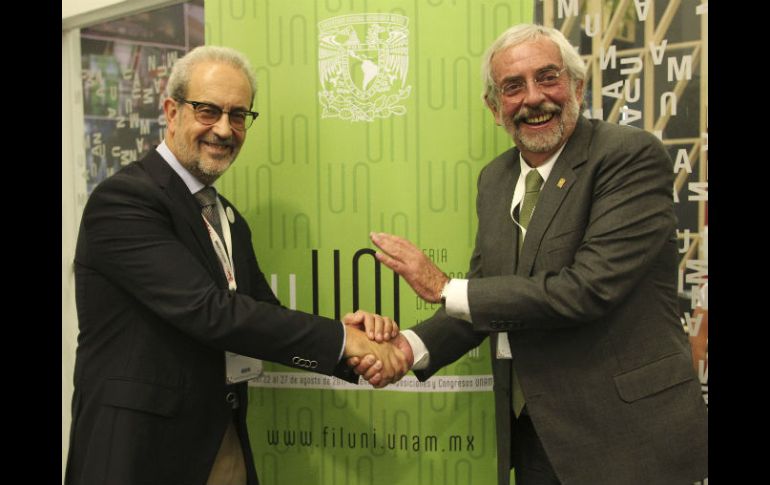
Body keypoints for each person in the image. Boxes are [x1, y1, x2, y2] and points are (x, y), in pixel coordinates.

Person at [351, 24, 708, 485]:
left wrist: (441, 287)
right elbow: (484, 297)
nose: (534, 98)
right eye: (513, 87)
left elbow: (586, 290)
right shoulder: (495, 179)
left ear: (577, 86)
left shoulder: (628, 156)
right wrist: (405, 348)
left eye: (548, 77)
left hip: (630, 438)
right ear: (494, 108)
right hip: (537, 435)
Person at [64, 45, 408, 485]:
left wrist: (351, 341)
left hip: (220, 441)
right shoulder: (125, 200)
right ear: (172, 112)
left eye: (239, 115)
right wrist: (345, 341)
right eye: (208, 111)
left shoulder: (227, 217)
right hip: (138, 451)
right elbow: (210, 311)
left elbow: (263, 313)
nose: (224, 129)